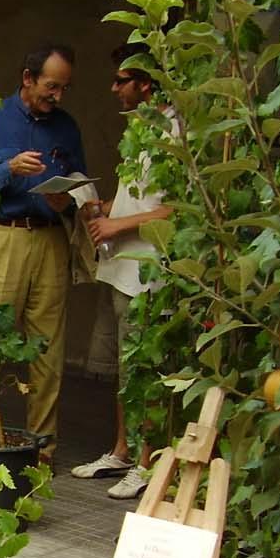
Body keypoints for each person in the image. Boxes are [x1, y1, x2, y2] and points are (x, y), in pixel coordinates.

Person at [0, 44, 87, 465]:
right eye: (51, 86)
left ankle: (42, 453)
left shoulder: (67, 128)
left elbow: (81, 183)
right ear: (27, 78)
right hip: (4, 236)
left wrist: (68, 201)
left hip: (51, 238)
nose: (58, 95)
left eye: (64, 88)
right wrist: (7, 170)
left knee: (48, 351)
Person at [71, 44, 173, 500]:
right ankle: (122, 451)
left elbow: (177, 208)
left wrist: (117, 224)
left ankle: (148, 461)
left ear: (146, 84)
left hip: (147, 273)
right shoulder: (140, 130)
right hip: (119, 269)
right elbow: (142, 197)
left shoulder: (174, 133)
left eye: (122, 80)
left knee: (143, 369)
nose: (113, 88)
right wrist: (104, 206)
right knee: (122, 368)